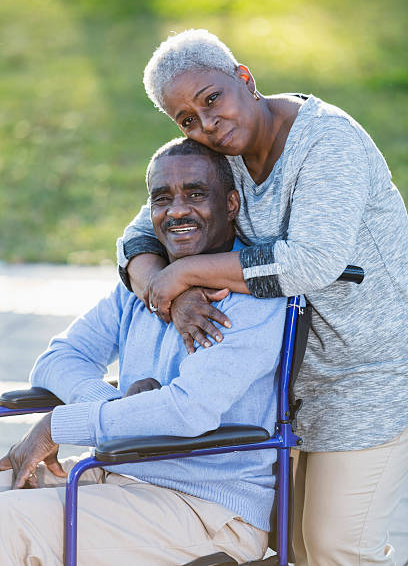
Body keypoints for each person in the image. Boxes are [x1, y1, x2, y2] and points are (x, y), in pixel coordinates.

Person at [116, 29, 408, 566]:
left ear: (244, 78)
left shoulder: (327, 143)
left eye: (212, 99)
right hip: (278, 381)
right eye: (186, 119)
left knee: (339, 547)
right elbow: (138, 238)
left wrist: (192, 273)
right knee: (289, 547)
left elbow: (310, 261)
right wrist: (168, 292)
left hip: (366, 372)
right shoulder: (216, 151)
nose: (206, 124)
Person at [0, 138, 287, 565]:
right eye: (162, 198)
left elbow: (188, 411)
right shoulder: (142, 287)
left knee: (6, 526)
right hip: (120, 473)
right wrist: (112, 405)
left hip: (206, 508)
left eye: (195, 194)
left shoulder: (250, 298)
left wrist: (61, 424)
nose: (176, 210)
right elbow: (58, 359)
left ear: (231, 203)